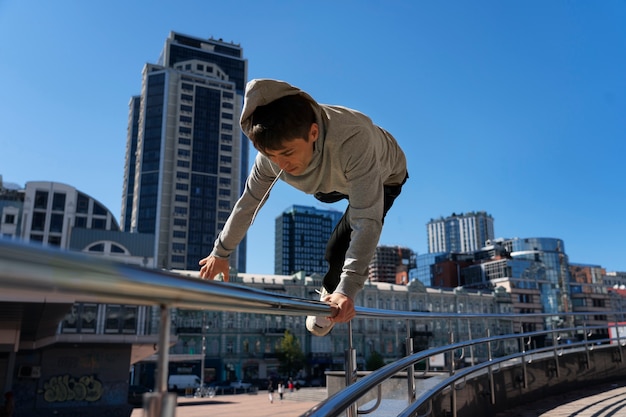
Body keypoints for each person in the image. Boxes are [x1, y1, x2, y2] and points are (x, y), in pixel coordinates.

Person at [199, 79, 408, 336]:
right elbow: (249, 203)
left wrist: (347, 290)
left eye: (288, 153)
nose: (282, 165)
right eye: (273, 157)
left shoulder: (354, 138)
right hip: (332, 183)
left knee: (338, 246)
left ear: (313, 132)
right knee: (320, 192)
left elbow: (367, 221)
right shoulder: (269, 160)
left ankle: (331, 295)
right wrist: (221, 252)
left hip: (386, 176)